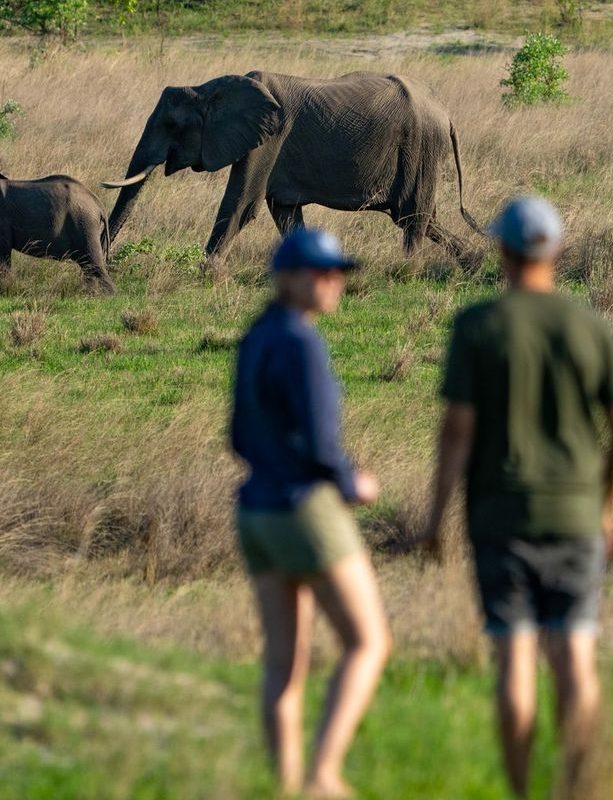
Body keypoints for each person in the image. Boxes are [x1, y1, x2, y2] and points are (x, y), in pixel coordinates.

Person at [417, 196, 613, 798]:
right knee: (575, 658)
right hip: (576, 518)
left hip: (499, 517)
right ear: (558, 251)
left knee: (514, 660)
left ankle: (521, 792)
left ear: (502, 251)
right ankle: (577, 786)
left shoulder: (478, 325)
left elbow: (457, 431)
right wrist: (606, 507)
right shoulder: (589, 325)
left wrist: (437, 518)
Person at [230, 227, 392, 799]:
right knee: (368, 642)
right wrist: (354, 483)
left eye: (337, 271)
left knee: (283, 663)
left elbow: (237, 437)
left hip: (255, 511)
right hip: (304, 510)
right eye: (321, 272)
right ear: (288, 278)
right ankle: (323, 775)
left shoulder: (255, 337)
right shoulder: (302, 342)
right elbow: (325, 446)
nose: (334, 281)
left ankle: (286, 786)